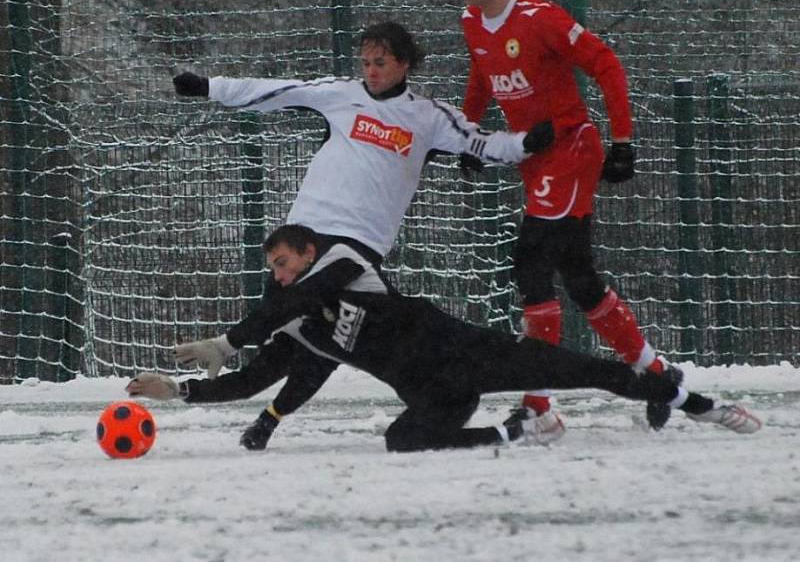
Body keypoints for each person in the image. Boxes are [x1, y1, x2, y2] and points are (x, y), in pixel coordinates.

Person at [126, 224, 762, 453]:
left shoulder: (346, 262)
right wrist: (180, 391)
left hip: (464, 351)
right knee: (402, 440)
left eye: (285, 264)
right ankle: (515, 432)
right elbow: (255, 377)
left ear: (310, 253)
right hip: (432, 389)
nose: (279, 276)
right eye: (272, 270)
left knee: (583, 369)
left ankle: (701, 406)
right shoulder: (293, 318)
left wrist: (229, 338)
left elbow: (302, 299)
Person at [169, 20, 553, 380]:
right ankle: (234, 405)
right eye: (366, 62)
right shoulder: (341, 94)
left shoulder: (428, 116)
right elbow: (275, 90)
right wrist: (209, 87)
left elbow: (479, 141)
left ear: (403, 64)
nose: (370, 71)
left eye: (380, 62)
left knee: (342, 330)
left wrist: (523, 144)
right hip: (308, 233)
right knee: (289, 335)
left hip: (359, 242)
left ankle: (479, 370)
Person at [450, 0, 679, 437]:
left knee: (531, 264)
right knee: (580, 280)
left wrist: (623, 140)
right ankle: (658, 375)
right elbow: (481, 79)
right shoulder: (471, 22)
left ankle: (539, 405)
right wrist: (469, 138)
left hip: (571, 151)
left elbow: (606, 64)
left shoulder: (539, 18)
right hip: (534, 161)